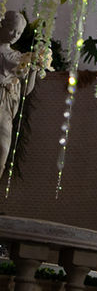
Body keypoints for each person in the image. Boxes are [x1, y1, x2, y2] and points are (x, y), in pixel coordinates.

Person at [0, 11, 36, 179]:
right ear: (3, 24)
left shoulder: (19, 57)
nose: (15, 35)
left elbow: (26, 91)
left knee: (3, 149)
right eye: (13, 29)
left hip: (6, 105)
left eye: (19, 33)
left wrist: (34, 70)